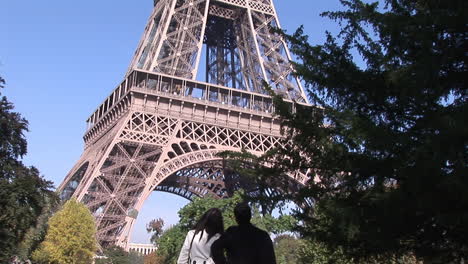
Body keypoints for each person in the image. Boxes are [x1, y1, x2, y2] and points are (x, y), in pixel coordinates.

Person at [211, 202, 276, 264]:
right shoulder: (262, 235)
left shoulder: (231, 233)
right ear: (250, 215)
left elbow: (215, 247)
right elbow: (271, 260)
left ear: (236, 218)